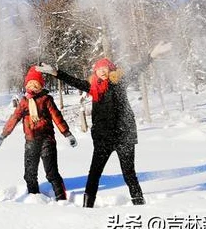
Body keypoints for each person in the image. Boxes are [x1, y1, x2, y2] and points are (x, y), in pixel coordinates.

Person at [36, 40, 172, 207]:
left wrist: (151, 56)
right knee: (94, 173)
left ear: (111, 70)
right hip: (103, 139)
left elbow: (136, 70)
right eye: (99, 68)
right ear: (95, 71)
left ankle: (138, 202)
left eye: (105, 68)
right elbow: (72, 81)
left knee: (129, 172)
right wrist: (55, 72)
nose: (102, 71)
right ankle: (88, 205)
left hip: (124, 135)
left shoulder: (119, 84)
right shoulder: (92, 88)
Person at [0, 66, 77, 200]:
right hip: (31, 141)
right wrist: (3, 136)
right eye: (30, 83)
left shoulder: (46, 100)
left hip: (47, 140)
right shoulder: (24, 102)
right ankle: (34, 197)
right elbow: (14, 118)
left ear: (41, 86)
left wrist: (67, 134)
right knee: (29, 174)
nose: (33, 86)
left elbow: (57, 117)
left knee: (51, 173)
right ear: (26, 85)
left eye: (36, 84)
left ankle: (62, 199)